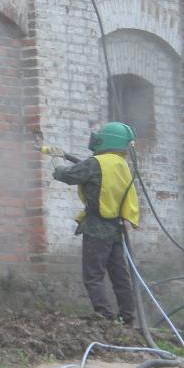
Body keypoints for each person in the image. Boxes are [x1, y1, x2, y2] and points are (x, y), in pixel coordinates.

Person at [52, 122, 140, 325]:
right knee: (120, 276)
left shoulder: (96, 162)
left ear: (105, 140)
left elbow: (67, 175)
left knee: (93, 275)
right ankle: (127, 317)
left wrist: (56, 161)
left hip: (97, 227)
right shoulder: (121, 165)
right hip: (116, 228)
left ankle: (106, 318)